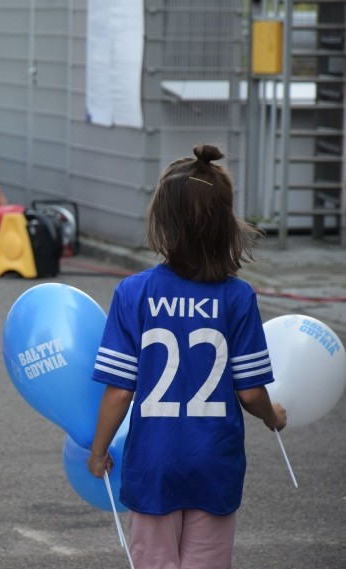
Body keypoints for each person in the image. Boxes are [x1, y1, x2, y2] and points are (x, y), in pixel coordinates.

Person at [86, 144, 287, 569]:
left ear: (162, 220)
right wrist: (273, 416)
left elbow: (120, 392)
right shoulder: (238, 297)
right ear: (224, 226)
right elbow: (251, 394)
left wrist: (98, 448)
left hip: (152, 464)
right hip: (215, 463)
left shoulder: (134, 292)